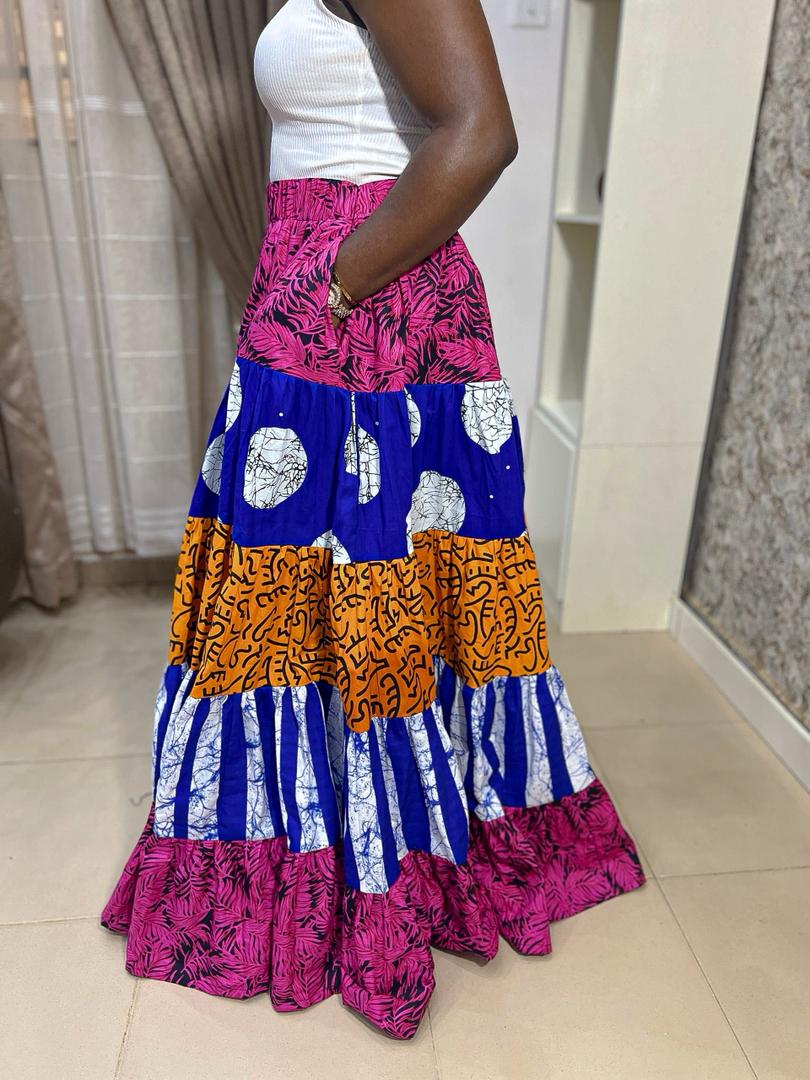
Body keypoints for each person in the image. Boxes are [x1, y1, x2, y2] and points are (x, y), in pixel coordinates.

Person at [102, 0, 645, 1040]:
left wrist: (335, 285)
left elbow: (481, 131)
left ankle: (380, 854)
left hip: (367, 310)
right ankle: (338, 834)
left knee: (351, 588)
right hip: (329, 296)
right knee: (304, 596)